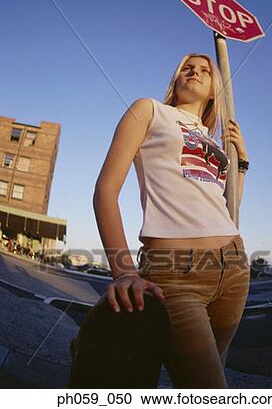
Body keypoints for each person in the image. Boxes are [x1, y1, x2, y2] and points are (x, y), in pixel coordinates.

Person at [93, 53, 250, 389]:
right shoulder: (148, 110)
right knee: (210, 390)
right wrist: (123, 273)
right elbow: (106, 190)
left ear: (213, 91)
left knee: (209, 378)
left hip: (234, 267)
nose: (194, 72)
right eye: (187, 68)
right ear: (176, 79)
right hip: (175, 273)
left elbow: (226, 206)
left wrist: (242, 164)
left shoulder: (212, 137)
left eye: (205, 71)